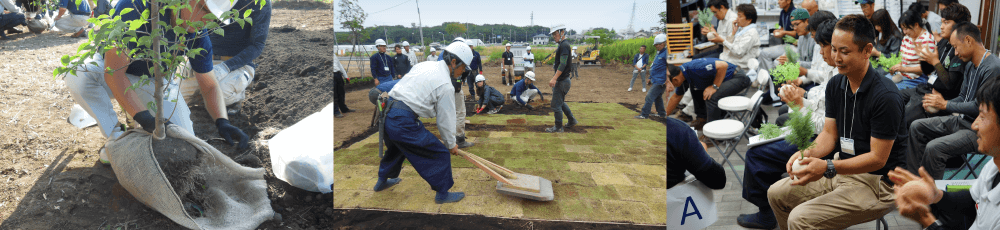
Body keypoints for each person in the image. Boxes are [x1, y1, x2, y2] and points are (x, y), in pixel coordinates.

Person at [765, 15, 907, 230]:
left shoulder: (885, 96)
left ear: (867, 50)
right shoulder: (836, 84)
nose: (835, 57)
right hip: (843, 169)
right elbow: (829, 134)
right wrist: (807, 153)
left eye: (845, 51)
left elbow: (878, 159)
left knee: (800, 219)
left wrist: (828, 166)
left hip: (879, 183)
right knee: (776, 194)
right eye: (833, 49)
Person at [64, 0, 249, 165]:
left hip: (155, 82)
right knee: (78, 72)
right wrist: (145, 119)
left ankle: (135, 115)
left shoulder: (198, 36)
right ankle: (117, 136)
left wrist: (222, 121)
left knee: (184, 142)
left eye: (214, 18)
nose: (206, 21)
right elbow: (114, 74)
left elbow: (209, 84)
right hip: (109, 69)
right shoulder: (135, 8)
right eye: (203, 9)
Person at [736, 19, 838, 229]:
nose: (820, 52)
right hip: (819, 133)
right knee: (767, 139)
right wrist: (801, 98)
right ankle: (775, 202)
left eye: (823, 46)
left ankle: (767, 212)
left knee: (757, 153)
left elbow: (825, 130)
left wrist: (798, 103)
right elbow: (822, 112)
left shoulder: (842, 77)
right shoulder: (835, 72)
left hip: (821, 140)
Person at [888, 79, 1000, 230]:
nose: (975, 124)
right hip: (959, 121)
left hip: (961, 123)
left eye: (982, 116)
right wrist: (936, 195)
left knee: (935, 147)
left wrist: (927, 221)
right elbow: (971, 201)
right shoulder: (992, 167)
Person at [372, 41, 473, 204]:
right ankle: (442, 193)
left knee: (397, 148)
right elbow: (445, 120)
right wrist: (451, 144)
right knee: (439, 153)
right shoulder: (446, 85)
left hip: (388, 112)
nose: (462, 73)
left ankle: (382, 181)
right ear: (454, 62)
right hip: (402, 119)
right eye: (463, 68)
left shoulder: (425, 65)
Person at [905, 22, 1000, 180]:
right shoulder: (970, 65)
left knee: (934, 148)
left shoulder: (993, 68)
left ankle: (932, 199)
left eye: (956, 47)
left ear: (968, 40)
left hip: (978, 130)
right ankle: (914, 182)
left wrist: (945, 104)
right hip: (962, 122)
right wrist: (938, 104)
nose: (955, 53)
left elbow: (980, 108)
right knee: (916, 126)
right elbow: (963, 97)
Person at [186, 0, 270, 114]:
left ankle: (237, 97)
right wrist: (193, 57)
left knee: (219, 95)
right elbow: (199, 28)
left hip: (238, 66)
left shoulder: (260, 3)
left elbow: (257, 45)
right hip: (207, 61)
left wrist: (225, 67)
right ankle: (204, 98)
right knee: (175, 95)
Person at [900, 3, 971, 128]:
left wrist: (935, 62)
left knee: (903, 121)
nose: (941, 27)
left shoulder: (961, 50)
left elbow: (950, 85)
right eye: (942, 22)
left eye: (946, 22)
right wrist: (923, 57)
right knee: (894, 96)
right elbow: (928, 70)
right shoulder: (944, 41)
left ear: (959, 26)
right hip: (926, 88)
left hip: (939, 97)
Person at [663, 57, 750, 130]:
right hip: (726, 79)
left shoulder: (695, 68)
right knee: (696, 88)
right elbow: (675, 97)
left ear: (675, 79)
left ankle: (713, 132)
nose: (671, 87)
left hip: (738, 77)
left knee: (711, 96)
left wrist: (714, 87)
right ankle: (702, 119)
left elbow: (723, 65)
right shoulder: (683, 75)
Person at [668, 115, 726, 189]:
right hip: (674, 197)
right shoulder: (676, 129)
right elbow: (717, 181)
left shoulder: (676, 129)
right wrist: (702, 151)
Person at [890, 10, 936, 89]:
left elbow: (926, 69)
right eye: (902, 29)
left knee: (891, 90)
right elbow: (903, 58)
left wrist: (904, 69)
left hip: (918, 79)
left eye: (906, 29)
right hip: (904, 75)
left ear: (916, 25)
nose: (904, 32)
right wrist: (898, 66)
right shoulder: (907, 37)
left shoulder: (927, 40)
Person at [546, 24, 578, 133]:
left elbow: (563, 64)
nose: (554, 36)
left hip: (562, 81)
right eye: (553, 34)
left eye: (555, 34)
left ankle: (558, 127)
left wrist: (554, 78)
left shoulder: (564, 45)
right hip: (564, 80)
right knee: (560, 102)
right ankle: (572, 120)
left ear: (562, 32)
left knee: (555, 104)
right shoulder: (563, 45)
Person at [714, 4, 760, 72]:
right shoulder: (742, 30)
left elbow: (738, 52)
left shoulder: (751, 33)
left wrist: (723, 40)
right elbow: (729, 47)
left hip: (737, 68)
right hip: (730, 62)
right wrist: (733, 33)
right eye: (737, 15)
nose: (737, 18)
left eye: (740, 16)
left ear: (749, 20)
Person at [756, 0, 797, 73]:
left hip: (795, 46)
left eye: (781, 0)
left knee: (777, 62)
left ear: (788, 1)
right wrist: (777, 32)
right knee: (763, 53)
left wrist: (784, 32)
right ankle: (769, 78)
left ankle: (774, 78)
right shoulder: (782, 12)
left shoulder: (795, 13)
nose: (778, 2)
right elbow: (782, 28)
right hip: (786, 45)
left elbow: (798, 32)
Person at [636, 35, 670, 119]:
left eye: (658, 44)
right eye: (655, 45)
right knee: (657, 97)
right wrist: (650, 78)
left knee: (649, 96)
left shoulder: (667, 53)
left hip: (661, 80)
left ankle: (644, 114)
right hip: (655, 79)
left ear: (664, 43)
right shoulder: (659, 53)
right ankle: (661, 113)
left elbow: (669, 67)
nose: (657, 46)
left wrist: (668, 80)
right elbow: (655, 66)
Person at [334, 52, 353, 118]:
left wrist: (346, 76)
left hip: (338, 74)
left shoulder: (333, 54)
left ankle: (344, 109)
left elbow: (339, 65)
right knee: (334, 95)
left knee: (341, 93)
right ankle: (336, 111)